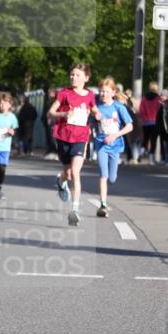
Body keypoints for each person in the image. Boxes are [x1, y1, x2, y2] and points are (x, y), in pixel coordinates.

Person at [47, 63, 100, 226]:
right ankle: (61, 181)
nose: (73, 77)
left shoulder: (90, 95)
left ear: (86, 78)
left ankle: (74, 210)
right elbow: (50, 113)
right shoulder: (64, 93)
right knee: (68, 174)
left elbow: (94, 109)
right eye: (72, 74)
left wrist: (97, 114)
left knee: (76, 172)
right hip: (63, 136)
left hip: (81, 137)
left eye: (77, 75)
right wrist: (64, 113)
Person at [93, 78, 133, 217]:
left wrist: (115, 135)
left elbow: (130, 126)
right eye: (101, 91)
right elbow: (90, 124)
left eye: (106, 91)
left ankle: (106, 195)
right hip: (101, 144)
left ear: (113, 92)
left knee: (112, 179)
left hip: (115, 146)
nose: (103, 94)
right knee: (103, 175)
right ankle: (103, 205)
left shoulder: (118, 107)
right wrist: (94, 119)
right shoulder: (97, 107)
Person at [139, 81, 161, 163]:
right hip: (155, 122)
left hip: (145, 123)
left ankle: (141, 152)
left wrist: (144, 118)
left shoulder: (144, 99)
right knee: (153, 141)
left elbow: (141, 111)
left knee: (145, 139)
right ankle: (151, 159)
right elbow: (160, 109)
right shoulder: (158, 98)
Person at [41, 88, 58, 157]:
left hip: (53, 121)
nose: (49, 95)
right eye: (49, 93)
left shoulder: (55, 102)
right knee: (48, 136)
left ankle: (54, 150)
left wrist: (50, 118)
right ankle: (49, 150)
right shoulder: (48, 101)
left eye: (51, 93)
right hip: (47, 121)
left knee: (52, 136)